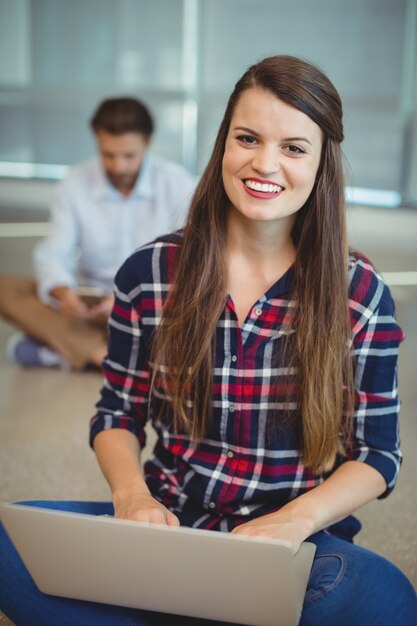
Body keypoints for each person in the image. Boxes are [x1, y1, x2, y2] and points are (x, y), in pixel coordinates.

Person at [1, 55, 416, 626]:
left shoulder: (358, 291)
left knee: (385, 600)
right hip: (169, 530)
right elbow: (116, 414)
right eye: (248, 138)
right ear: (224, 143)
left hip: (293, 546)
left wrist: (291, 523)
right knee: (8, 546)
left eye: (294, 147)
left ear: (321, 163)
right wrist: (133, 498)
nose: (264, 163)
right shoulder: (149, 273)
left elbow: (378, 455)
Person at [0, 97, 195, 370]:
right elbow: (54, 253)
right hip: (94, 305)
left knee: (195, 317)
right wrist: (64, 293)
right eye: (108, 154)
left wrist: (129, 297)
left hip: (151, 306)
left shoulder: (177, 184)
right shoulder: (74, 183)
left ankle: (71, 351)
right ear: (97, 140)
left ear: (147, 143)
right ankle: (111, 356)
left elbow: (190, 260)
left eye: (129, 156)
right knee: (7, 289)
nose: (118, 167)